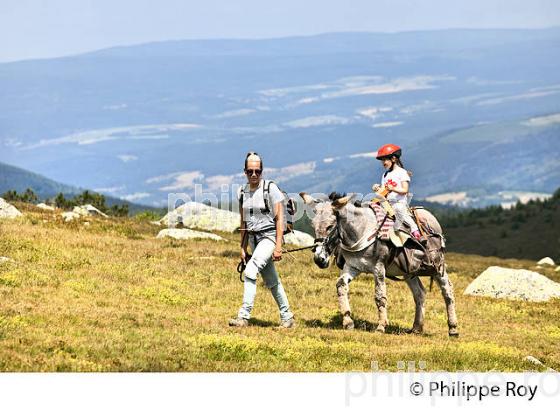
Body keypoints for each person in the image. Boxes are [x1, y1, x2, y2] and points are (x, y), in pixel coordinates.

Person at [229, 152, 295, 328]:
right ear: (244, 171)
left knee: (250, 271)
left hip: (269, 237)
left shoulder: (270, 188)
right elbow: (243, 220)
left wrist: (278, 246)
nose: (254, 175)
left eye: (257, 171)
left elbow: (280, 218)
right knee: (272, 280)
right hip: (252, 239)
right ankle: (287, 317)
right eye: (250, 171)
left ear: (262, 171)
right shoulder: (241, 191)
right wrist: (242, 247)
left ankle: (243, 316)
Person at [373, 143, 422, 240]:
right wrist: (378, 188)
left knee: (399, 209)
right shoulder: (385, 175)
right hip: (387, 203)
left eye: (385, 160)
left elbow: (405, 190)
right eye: (382, 160)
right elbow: (385, 191)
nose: (383, 163)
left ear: (394, 159)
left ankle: (415, 230)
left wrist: (393, 188)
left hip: (399, 202)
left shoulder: (402, 173)